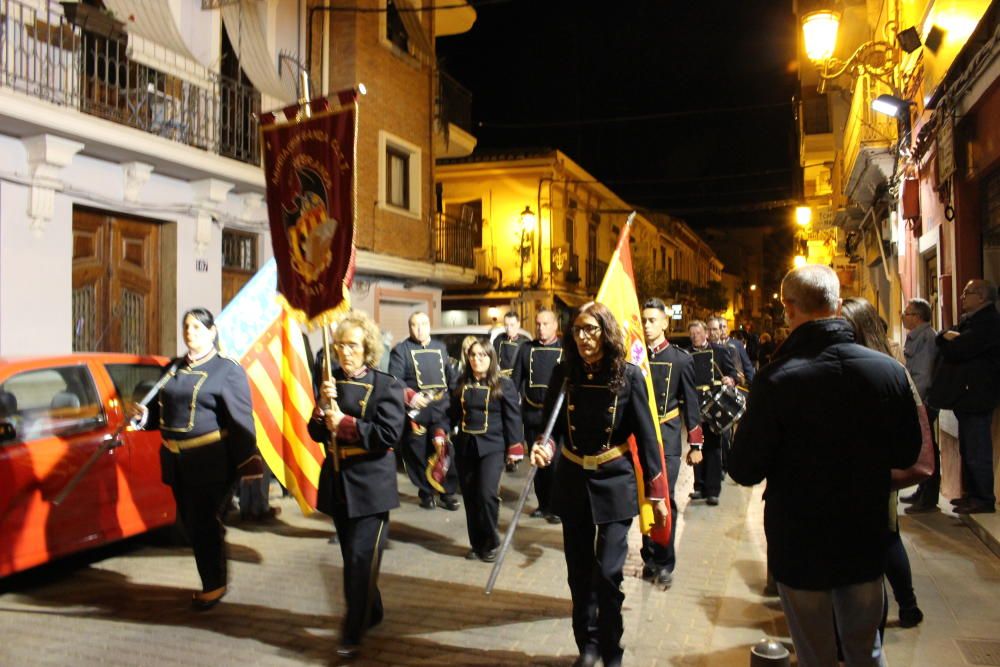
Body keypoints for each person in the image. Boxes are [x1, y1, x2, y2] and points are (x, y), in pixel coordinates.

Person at [728, 265, 921, 667]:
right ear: (835, 304)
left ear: (789, 308)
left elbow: (745, 469)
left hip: (800, 544)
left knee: (815, 654)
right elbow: (906, 454)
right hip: (865, 537)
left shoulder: (776, 379)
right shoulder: (887, 371)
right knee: (866, 650)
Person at [531, 302, 668, 667]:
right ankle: (587, 648)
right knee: (578, 573)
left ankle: (612, 650)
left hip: (614, 482)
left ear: (606, 332)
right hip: (574, 480)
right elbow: (551, 429)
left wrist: (656, 493)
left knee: (607, 575)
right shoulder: (565, 374)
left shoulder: (628, 376)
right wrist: (542, 447)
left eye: (591, 329)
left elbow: (647, 436)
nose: (584, 338)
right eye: (577, 330)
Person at [132, 307, 262, 610]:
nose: (191, 333)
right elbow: (166, 413)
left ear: (212, 332)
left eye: (198, 328)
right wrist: (145, 417)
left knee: (205, 524)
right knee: (192, 524)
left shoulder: (227, 369)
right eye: (187, 327)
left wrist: (248, 462)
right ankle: (213, 579)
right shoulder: (173, 367)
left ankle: (213, 585)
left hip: (212, 462)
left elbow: (241, 420)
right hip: (178, 462)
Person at [308, 311, 406, 659]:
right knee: (353, 557)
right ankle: (372, 608)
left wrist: (347, 423)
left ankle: (352, 629)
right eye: (339, 346)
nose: (344, 352)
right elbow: (315, 432)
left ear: (367, 347)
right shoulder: (330, 381)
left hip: (371, 486)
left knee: (361, 560)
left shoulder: (386, 385)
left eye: (351, 345)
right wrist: (321, 408)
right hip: (338, 481)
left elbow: (388, 434)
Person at [841, 297, 924, 629]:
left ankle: (895, 609)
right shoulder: (891, 363)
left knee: (882, 538)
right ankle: (907, 605)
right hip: (878, 468)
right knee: (887, 534)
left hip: (873, 470)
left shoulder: (879, 368)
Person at [639, 298, 704, 588]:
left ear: (666, 322)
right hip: (640, 439)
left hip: (667, 437)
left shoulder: (680, 359)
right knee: (644, 499)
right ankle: (648, 557)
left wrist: (696, 444)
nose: (647, 325)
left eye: (653, 320)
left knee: (663, 499)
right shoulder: (635, 357)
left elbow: (691, 403)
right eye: (644, 319)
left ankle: (666, 561)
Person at [928, 279, 1000, 514]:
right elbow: (944, 338)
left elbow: (960, 349)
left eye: (966, 293)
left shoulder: (988, 322)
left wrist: (948, 340)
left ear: (981, 297)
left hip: (978, 394)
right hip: (967, 395)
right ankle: (972, 494)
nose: (961, 297)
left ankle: (983, 498)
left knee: (977, 448)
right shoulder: (971, 322)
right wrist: (945, 338)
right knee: (968, 447)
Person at [449, 341, 525, 562]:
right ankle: (477, 543)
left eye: (482, 355)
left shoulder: (503, 384)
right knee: (471, 498)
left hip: (492, 447)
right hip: (465, 448)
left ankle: (491, 541)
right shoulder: (460, 382)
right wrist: (439, 431)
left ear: (491, 358)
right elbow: (452, 413)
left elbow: (512, 417)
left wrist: (515, 446)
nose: (477, 359)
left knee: (486, 494)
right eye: (473, 355)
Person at [387, 312, 460, 511]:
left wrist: (457, 398)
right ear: (409, 327)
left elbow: (450, 375)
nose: (419, 329)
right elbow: (394, 380)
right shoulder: (400, 350)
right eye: (414, 325)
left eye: (423, 324)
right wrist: (411, 396)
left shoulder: (441, 347)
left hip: (440, 409)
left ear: (429, 325)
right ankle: (426, 492)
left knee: (443, 449)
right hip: (416, 412)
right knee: (417, 453)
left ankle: (447, 493)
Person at [511, 308, 563, 523]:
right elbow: (515, 382)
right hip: (533, 414)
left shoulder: (566, 350)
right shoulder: (525, 349)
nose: (541, 328)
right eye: (538, 324)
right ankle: (543, 505)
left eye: (546, 324)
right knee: (538, 463)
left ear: (555, 325)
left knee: (557, 464)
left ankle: (557, 507)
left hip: (558, 418)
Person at [686, 319, 738, 506]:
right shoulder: (686, 355)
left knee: (714, 448)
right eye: (692, 335)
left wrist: (730, 379)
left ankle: (713, 490)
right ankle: (699, 487)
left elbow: (733, 375)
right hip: (695, 408)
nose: (695, 337)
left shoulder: (720, 351)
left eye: (698, 334)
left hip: (715, 407)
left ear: (706, 334)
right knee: (696, 447)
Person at [900, 298, 941, 514]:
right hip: (921, 400)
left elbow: (923, 375)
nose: (903, 316)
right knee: (923, 445)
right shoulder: (918, 337)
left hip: (923, 401)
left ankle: (928, 496)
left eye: (906, 313)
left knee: (927, 447)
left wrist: (916, 402)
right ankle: (923, 491)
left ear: (917, 317)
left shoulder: (926, 338)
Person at [710, 317, 755, 387]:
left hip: (738, 384)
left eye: (724, 327)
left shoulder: (737, 344)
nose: (722, 330)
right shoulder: (711, 346)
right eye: (720, 327)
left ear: (728, 328)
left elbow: (747, 365)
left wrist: (750, 384)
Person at [492, 311, 530, 376]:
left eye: (512, 325)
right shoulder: (498, 340)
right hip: (502, 379)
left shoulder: (526, 342)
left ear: (518, 324)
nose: (509, 328)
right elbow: (493, 360)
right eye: (506, 325)